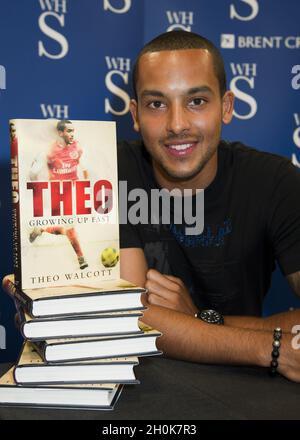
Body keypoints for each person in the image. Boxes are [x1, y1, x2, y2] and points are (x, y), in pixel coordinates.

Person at [118, 31, 300, 383]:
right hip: (137, 392)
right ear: (136, 115)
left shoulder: (274, 181)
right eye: (157, 104)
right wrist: (271, 348)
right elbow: (130, 316)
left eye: (197, 101)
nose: (177, 125)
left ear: (227, 106)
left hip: (244, 389)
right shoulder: (112, 172)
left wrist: (203, 319)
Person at [29, 119, 89, 270]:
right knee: (70, 228)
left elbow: (84, 167)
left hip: (74, 192)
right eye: (69, 131)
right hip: (58, 194)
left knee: (68, 229)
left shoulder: (77, 146)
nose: (72, 134)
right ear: (60, 133)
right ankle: (81, 258)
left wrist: (86, 184)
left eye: (73, 131)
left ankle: (42, 229)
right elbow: (33, 174)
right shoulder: (49, 152)